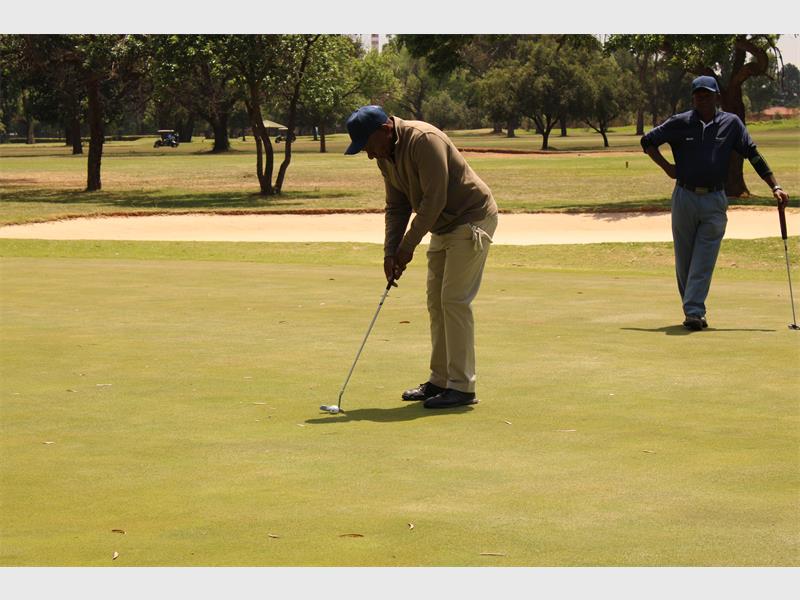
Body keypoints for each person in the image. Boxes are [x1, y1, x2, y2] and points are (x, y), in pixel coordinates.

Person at [344, 105, 499, 408]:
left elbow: (434, 199)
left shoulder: (423, 140)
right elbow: (397, 206)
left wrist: (407, 247)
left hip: (470, 219)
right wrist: (390, 252)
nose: (369, 155)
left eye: (368, 146)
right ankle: (440, 381)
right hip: (442, 225)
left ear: (384, 130)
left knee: (454, 301)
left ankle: (463, 387)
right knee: (436, 302)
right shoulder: (386, 156)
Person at [641, 75, 790, 330]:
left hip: (714, 199)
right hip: (684, 197)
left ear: (717, 97)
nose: (703, 98)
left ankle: (694, 311)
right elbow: (647, 142)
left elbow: (752, 154)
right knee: (684, 261)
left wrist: (774, 185)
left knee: (704, 257)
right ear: (693, 97)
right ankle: (692, 308)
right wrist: (667, 168)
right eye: (698, 94)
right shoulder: (680, 122)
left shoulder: (731, 123)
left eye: (708, 94)